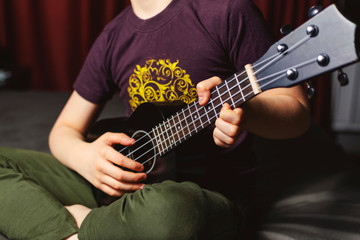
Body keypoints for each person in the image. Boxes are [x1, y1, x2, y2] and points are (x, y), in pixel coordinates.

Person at [0, 0, 310, 239]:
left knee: (169, 211)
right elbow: (63, 131)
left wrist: (249, 111)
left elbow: (296, 112)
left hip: (205, 192)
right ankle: (74, 233)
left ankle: (79, 225)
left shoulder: (227, 10)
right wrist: (86, 157)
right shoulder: (113, 37)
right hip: (123, 186)